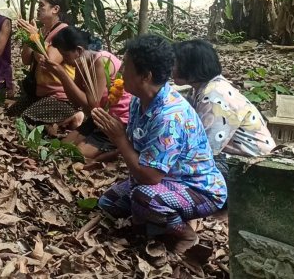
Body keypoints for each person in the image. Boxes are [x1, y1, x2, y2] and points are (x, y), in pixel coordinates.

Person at [92, 35, 227, 254]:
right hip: (164, 179)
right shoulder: (139, 100)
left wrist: (119, 138)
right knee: (108, 203)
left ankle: (186, 234)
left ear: (146, 76)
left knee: (145, 196)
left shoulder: (169, 117)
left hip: (197, 188)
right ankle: (155, 224)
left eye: (126, 66)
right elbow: (138, 149)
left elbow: (150, 176)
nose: (120, 71)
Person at [172, 39, 276, 179]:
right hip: (236, 156)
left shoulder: (215, 96)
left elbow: (207, 148)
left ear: (191, 66)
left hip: (253, 162)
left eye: (175, 63)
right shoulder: (202, 89)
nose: (171, 68)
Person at [38, 27, 132, 163]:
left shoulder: (100, 61)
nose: (64, 60)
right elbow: (75, 102)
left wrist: (62, 74)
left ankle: (115, 151)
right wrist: (60, 75)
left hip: (116, 121)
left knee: (76, 156)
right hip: (97, 120)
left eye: (65, 55)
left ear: (79, 50)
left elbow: (92, 106)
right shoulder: (81, 63)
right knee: (62, 147)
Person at [7, 0, 80, 125]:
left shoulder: (63, 32)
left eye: (41, 5)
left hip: (60, 97)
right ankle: (58, 122)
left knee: (24, 121)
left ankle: (72, 117)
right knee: (11, 114)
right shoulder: (43, 31)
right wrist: (29, 37)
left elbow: (48, 61)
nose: (38, 9)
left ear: (55, 9)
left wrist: (35, 38)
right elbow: (26, 60)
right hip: (40, 94)